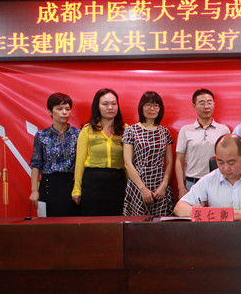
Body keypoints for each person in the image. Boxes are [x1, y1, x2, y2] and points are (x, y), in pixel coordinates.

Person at [173, 134, 241, 220]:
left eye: (231, 163)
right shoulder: (209, 179)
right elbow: (179, 208)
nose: (225, 168)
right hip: (219, 235)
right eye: (220, 162)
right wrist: (197, 212)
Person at [72, 88, 127, 216]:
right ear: (97, 106)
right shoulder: (87, 130)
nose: (110, 107)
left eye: (113, 103)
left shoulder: (126, 130)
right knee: (93, 223)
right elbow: (79, 162)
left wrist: (133, 188)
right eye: (105, 104)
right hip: (93, 183)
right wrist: (76, 189)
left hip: (117, 183)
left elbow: (129, 163)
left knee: (116, 223)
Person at [122, 91, 174, 216]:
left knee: (160, 222)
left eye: (156, 105)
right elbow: (128, 163)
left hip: (160, 183)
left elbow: (170, 162)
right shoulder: (131, 130)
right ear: (141, 107)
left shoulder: (164, 131)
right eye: (148, 105)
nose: (152, 109)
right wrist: (142, 188)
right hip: (138, 183)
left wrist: (164, 185)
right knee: (137, 223)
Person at [29, 92, 80, 217]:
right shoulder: (42, 135)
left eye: (67, 109)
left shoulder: (78, 134)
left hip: (71, 185)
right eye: (59, 109)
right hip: (48, 184)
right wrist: (34, 190)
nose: (64, 112)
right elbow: (36, 164)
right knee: (48, 224)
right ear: (50, 111)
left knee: (72, 224)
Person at [175, 88, 230, 200]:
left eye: (209, 103)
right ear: (194, 106)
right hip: (192, 183)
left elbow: (229, 157)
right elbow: (179, 160)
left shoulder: (224, 130)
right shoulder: (186, 130)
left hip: (218, 181)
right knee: (193, 211)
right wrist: (181, 187)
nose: (206, 106)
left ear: (214, 104)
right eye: (202, 103)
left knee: (219, 211)